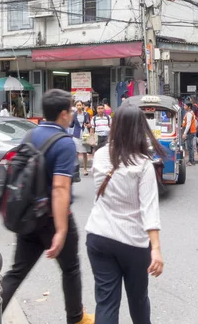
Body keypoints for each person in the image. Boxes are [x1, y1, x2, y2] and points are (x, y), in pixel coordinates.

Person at [1, 89, 94, 324]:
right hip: (54, 218)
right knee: (71, 269)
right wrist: (61, 231)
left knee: (17, 271)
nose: (73, 113)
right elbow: (60, 188)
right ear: (63, 114)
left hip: (29, 214)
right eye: (71, 110)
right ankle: (76, 318)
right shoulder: (64, 143)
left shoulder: (30, 136)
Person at [86, 105, 165, 324]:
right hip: (133, 242)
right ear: (140, 129)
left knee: (106, 302)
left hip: (98, 235)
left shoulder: (100, 155)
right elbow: (149, 208)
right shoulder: (143, 164)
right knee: (138, 300)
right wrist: (156, 249)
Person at [70, 100, 91, 176]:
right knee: (76, 152)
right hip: (76, 134)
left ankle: (85, 169)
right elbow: (71, 125)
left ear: (82, 106)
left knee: (85, 152)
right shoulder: (73, 115)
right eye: (77, 105)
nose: (79, 106)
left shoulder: (86, 114)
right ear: (75, 106)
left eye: (80, 105)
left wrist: (89, 125)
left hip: (85, 133)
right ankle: (76, 169)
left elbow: (89, 123)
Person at [182, 101, 196, 166]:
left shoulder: (189, 114)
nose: (184, 107)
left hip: (189, 132)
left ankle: (191, 161)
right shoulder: (191, 113)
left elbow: (188, 124)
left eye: (185, 106)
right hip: (191, 131)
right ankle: (192, 160)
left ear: (189, 107)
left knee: (189, 147)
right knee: (190, 146)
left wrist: (185, 133)